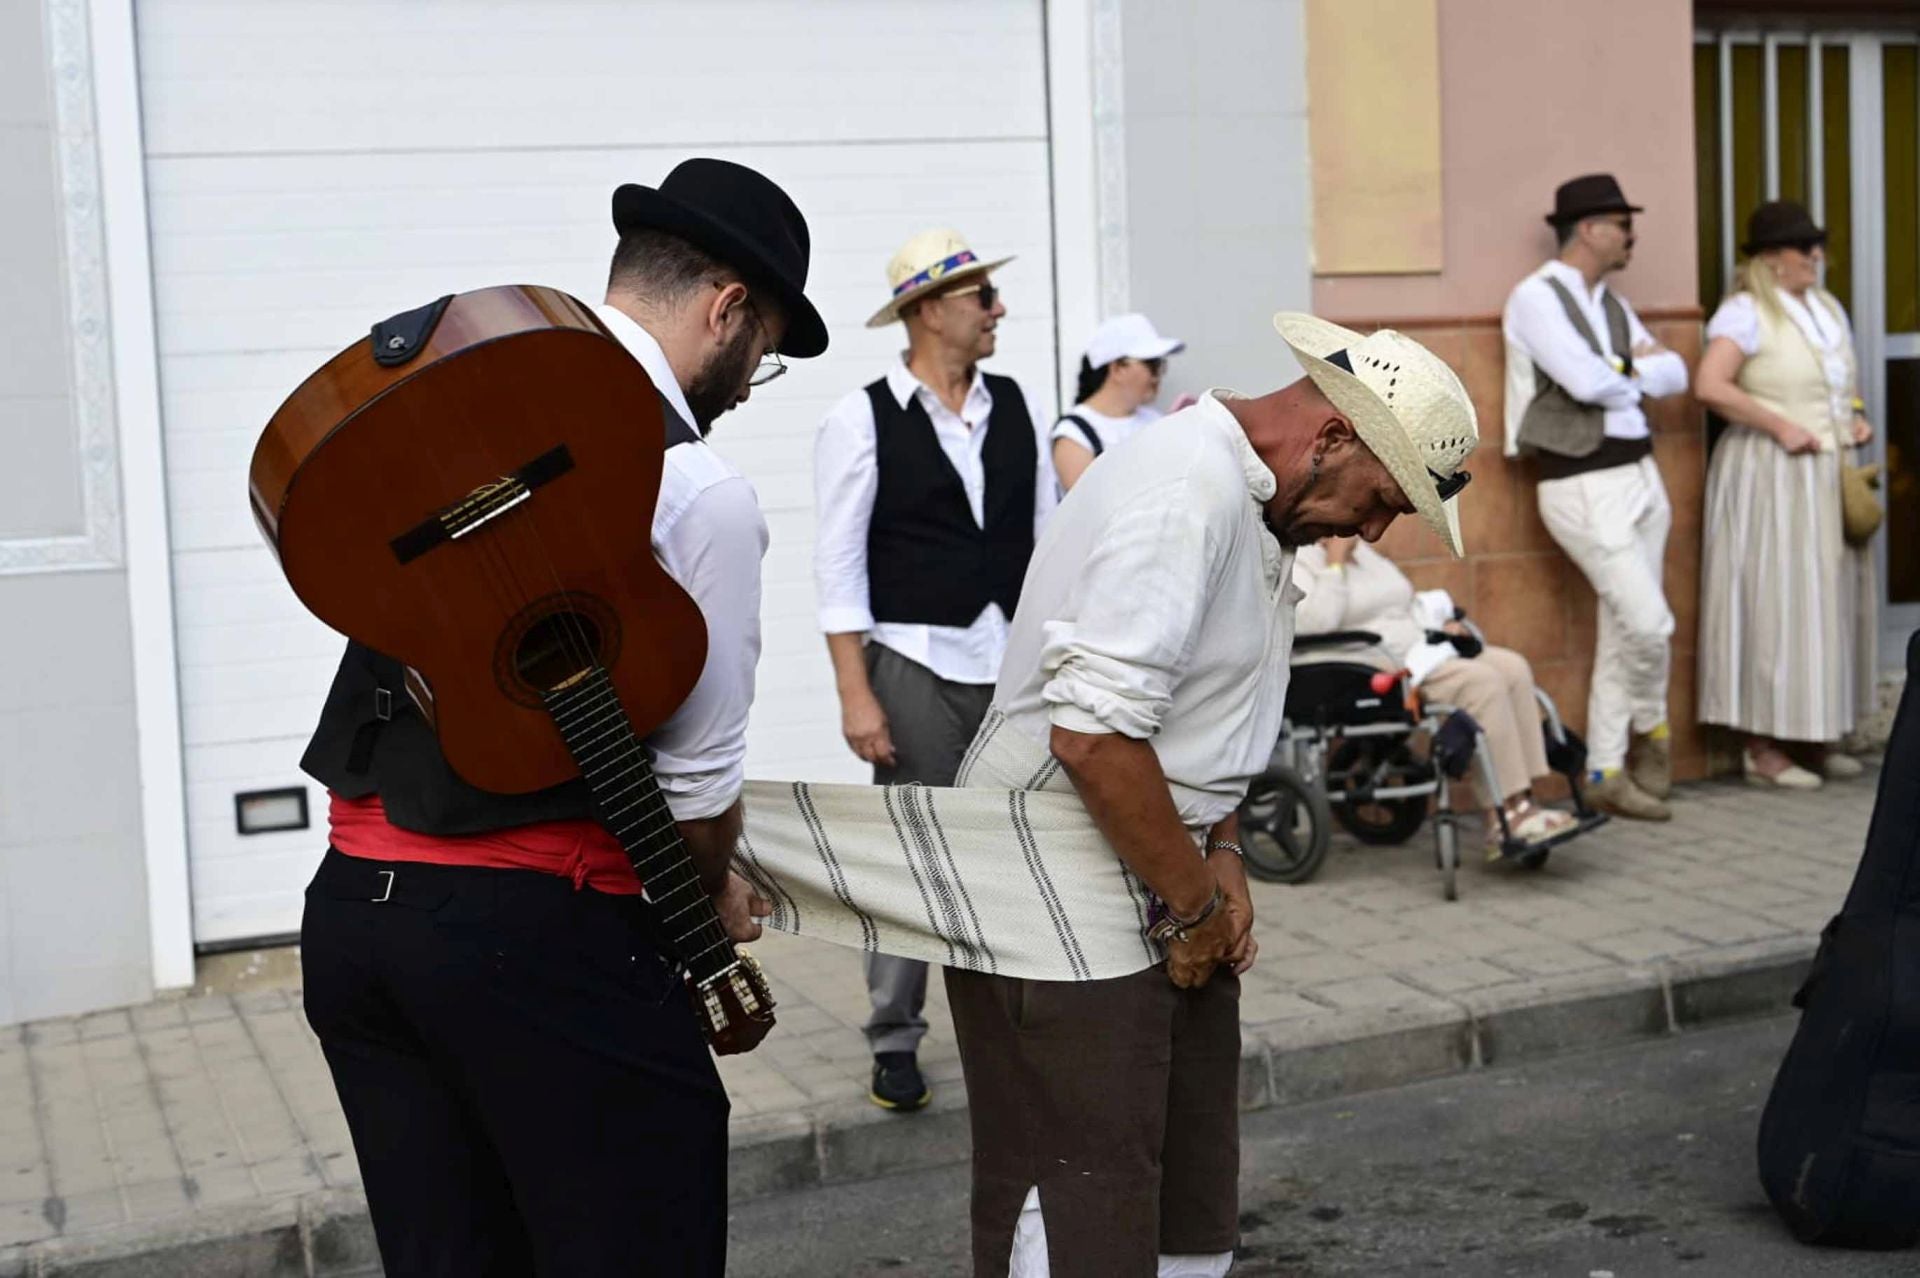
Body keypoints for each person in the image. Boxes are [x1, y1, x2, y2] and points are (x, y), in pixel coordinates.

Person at [297, 158, 825, 1278]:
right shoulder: (697, 490)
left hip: (352, 923)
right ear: (727, 307)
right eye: (766, 351)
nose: (750, 383)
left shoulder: (466, 408)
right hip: (533, 944)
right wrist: (712, 892)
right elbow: (695, 801)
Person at [948, 314, 1478, 1276]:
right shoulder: (1186, 488)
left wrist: (1224, 853)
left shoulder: (1258, 494)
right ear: (1331, 438)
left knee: (1185, 1198)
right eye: (1380, 502)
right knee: (1080, 1203)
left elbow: (1193, 709)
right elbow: (1093, 737)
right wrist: (1194, 905)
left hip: (1157, 864)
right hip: (1051, 878)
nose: (1370, 531)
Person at [813, 228, 1056, 1111]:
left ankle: (1018, 1029)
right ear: (927, 311)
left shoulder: (1016, 404)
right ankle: (894, 1036)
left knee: (1017, 846)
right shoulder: (861, 418)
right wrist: (856, 693)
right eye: (981, 296)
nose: (998, 309)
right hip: (913, 661)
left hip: (1011, 662)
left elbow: (1047, 541)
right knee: (911, 851)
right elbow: (838, 566)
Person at [1503, 173, 1690, 822]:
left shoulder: (1608, 302)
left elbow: (1676, 371)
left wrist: (1623, 370)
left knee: (1623, 628)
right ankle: (1655, 732)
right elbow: (1583, 381)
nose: (1633, 236)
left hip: (1640, 475)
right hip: (1582, 481)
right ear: (1588, 229)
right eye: (1623, 224)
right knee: (1650, 622)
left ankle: (1606, 770)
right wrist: (1632, 369)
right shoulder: (1536, 298)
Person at [1694, 200, 1878, 789]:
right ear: (1772, 258)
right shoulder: (1745, 312)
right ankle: (1762, 746)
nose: (1816, 257)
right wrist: (1779, 425)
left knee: (1824, 604)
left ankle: (1814, 735)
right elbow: (1710, 385)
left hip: (1825, 473)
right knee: (1774, 601)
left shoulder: (1825, 308)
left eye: (1816, 246)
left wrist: (1854, 416)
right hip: (1770, 475)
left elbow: (1840, 383)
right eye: (1805, 248)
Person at [1293, 535, 1577, 849]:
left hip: (1420, 651)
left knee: (1513, 667)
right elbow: (1315, 622)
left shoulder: (1364, 554)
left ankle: (1524, 799)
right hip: (1373, 666)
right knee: (1482, 682)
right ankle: (1502, 817)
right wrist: (1335, 564)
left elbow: (1404, 603)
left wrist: (1439, 624)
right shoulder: (1302, 560)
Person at [1053, 312, 1186, 491]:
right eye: (1152, 365)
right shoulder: (1074, 435)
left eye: (1160, 366)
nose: (1157, 377)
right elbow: (1087, 504)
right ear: (1118, 368)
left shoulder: (1155, 419)